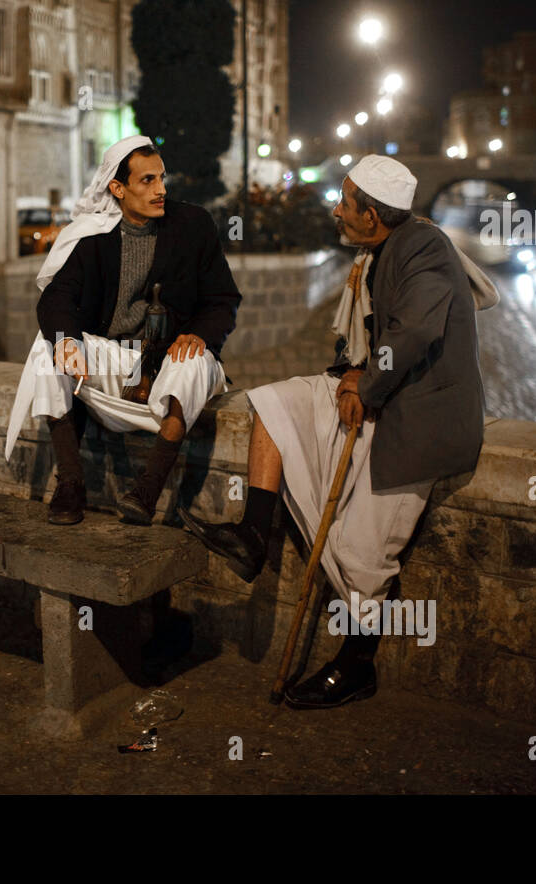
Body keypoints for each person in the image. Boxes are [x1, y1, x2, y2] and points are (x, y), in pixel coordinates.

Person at [180, 155, 497, 709]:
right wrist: (354, 374)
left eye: (345, 202)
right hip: (381, 391)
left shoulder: (423, 249)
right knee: (274, 403)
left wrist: (366, 386)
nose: (335, 208)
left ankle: (356, 665)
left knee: (365, 550)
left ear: (372, 216)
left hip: (417, 419)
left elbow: (416, 329)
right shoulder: (380, 248)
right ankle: (255, 533)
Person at [4, 136, 242, 526]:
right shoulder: (92, 237)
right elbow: (56, 297)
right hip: (117, 361)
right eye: (147, 180)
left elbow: (223, 298)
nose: (161, 189)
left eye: (162, 178)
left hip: (166, 362)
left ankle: (146, 495)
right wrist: (67, 343)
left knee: (195, 361)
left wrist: (200, 334)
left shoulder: (193, 225)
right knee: (48, 346)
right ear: (117, 188)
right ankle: (70, 483)